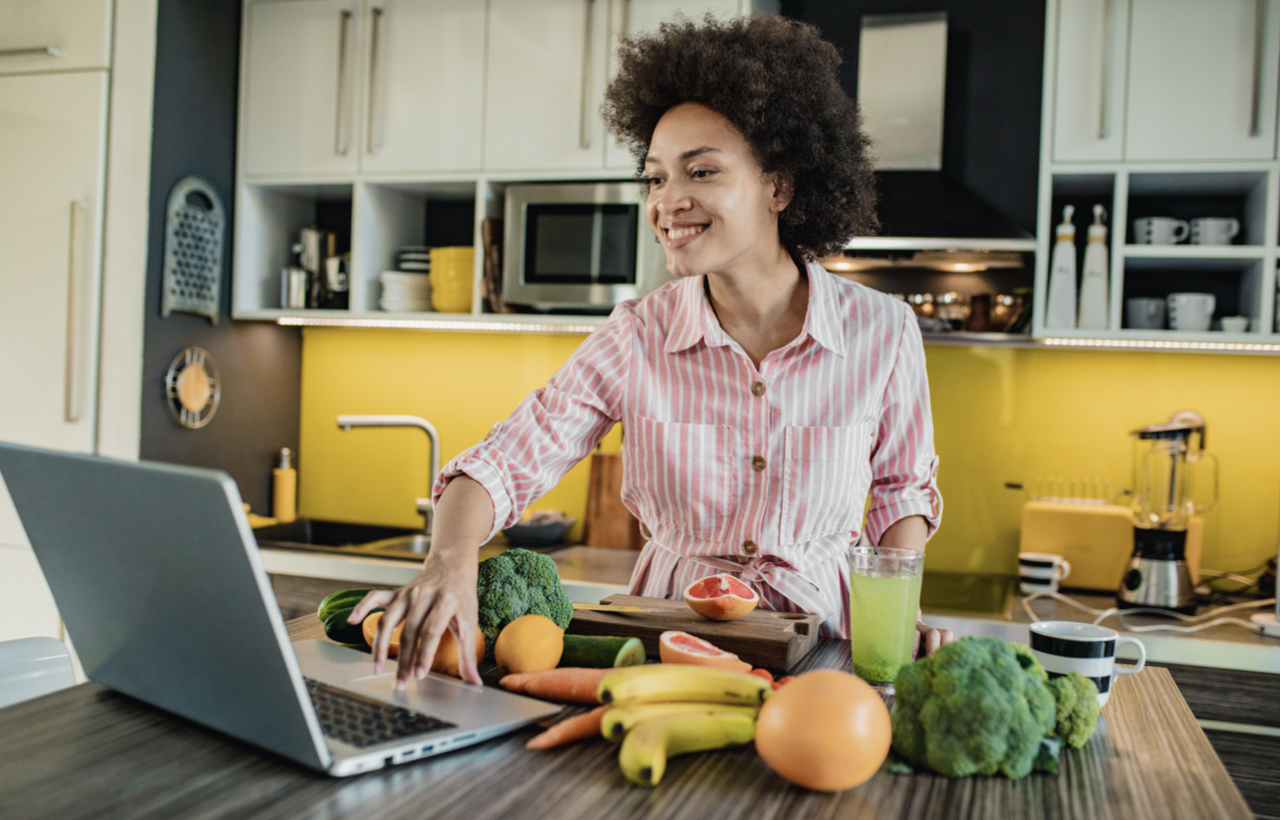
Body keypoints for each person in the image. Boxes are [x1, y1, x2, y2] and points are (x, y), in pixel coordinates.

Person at [351, 14, 952, 688]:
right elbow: (511, 455)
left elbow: (901, 491)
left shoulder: (883, 331)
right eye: (656, 178)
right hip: (667, 647)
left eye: (700, 172)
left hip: (828, 647)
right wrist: (450, 558)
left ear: (779, 187)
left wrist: (900, 611)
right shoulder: (638, 335)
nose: (668, 202)